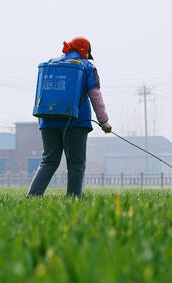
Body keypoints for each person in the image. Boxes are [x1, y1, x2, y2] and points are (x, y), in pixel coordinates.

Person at [27, 37, 111, 197]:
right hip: (76, 122)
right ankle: (73, 199)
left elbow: (43, 95)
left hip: (48, 121)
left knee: (48, 161)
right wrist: (104, 121)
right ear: (84, 52)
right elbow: (95, 95)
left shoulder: (51, 64)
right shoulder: (87, 67)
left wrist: (42, 121)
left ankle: (33, 196)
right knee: (76, 164)